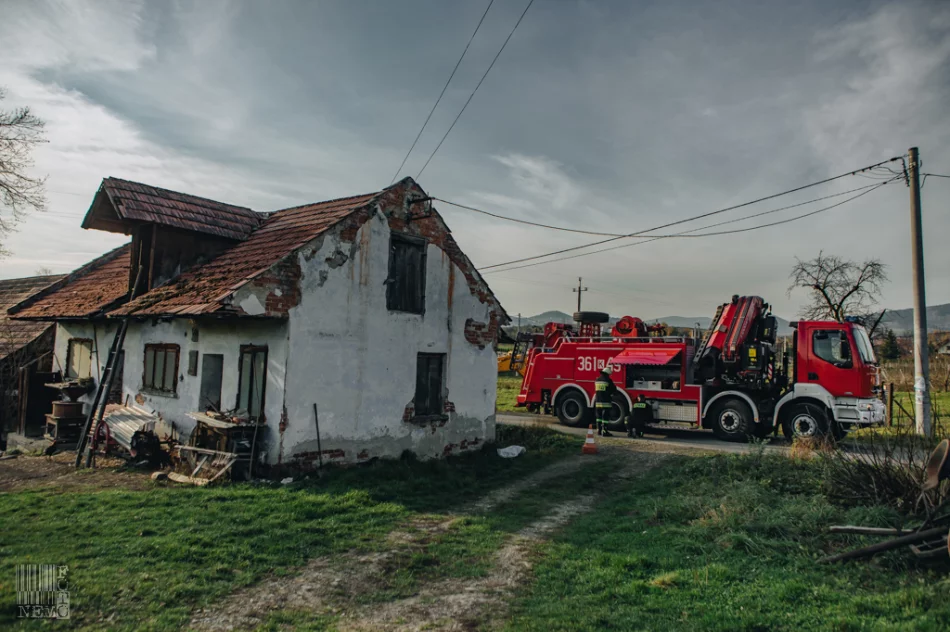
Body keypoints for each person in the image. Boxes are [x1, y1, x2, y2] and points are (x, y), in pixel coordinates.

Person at [594, 366, 617, 436]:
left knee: (599, 416)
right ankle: (604, 431)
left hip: (598, 402)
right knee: (605, 417)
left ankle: (598, 430)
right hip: (606, 402)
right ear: (607, 374)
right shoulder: (608, 380)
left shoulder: (597, 380)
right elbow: (613, 390)